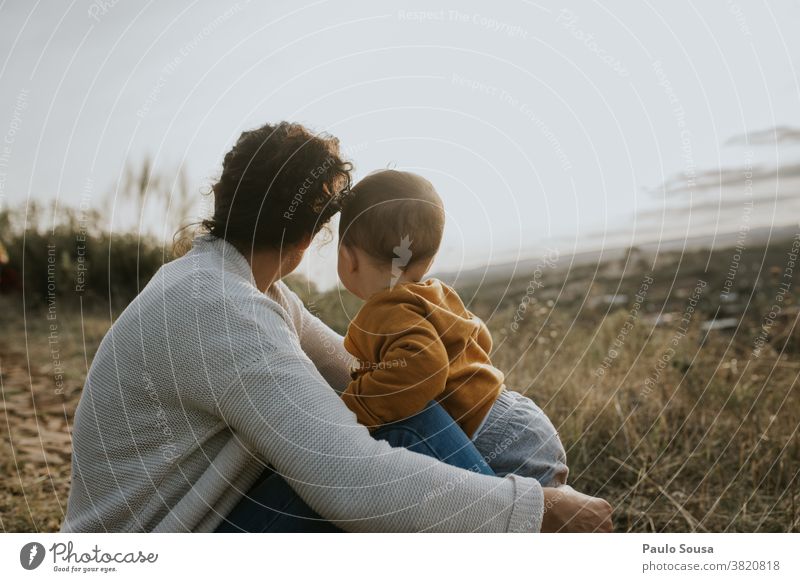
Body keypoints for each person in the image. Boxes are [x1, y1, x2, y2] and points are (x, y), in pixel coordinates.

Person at [61, 121, 612, 533]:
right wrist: (534, 510)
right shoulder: (220, 309)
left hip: (195, 519)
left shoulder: (230, 288)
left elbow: (352, 373)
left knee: (427, 418)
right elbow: (346, 477)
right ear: (310, 239)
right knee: (406, 428)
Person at [337, 170, 568, 487]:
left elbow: (425, 365)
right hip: (514, 416)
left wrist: (354, 407)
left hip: (491, 435)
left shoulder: (384, 309)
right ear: (428, 260)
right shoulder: (436, 293)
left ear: (347, 258)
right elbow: (479, 339)